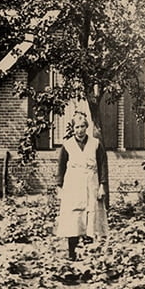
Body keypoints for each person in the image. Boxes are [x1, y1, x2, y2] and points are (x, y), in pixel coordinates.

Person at [56, 111, 109, 261]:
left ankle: (88, 252)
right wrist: (60, 187)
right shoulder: (67, 145)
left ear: (87, 127)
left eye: (82, 126)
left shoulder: (95, 144)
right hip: (73, 184)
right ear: (73, 129)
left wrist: (102, 185)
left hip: (91, 183)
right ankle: (72, 253)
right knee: (74, 217)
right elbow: (60, 168)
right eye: (77, 127)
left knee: (90, 216)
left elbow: (102, 165)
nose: (80, 130)